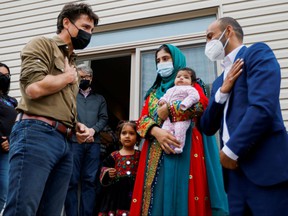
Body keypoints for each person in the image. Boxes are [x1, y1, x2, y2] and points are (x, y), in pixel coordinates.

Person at [3, 3, 99, 216]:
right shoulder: (42, 45)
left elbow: (59, 103)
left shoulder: (72, 64)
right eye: (85, 27)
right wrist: (66, 78)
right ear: (66, 22)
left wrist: (76, 125)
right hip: (35, 134)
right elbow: (33, 89)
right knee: (22, 209)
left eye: (92, 30)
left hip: (65, 142)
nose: (88, 34)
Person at [200, 17, 288, 215]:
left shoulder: (257, 53)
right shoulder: (218, 82)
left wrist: (230, 151)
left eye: (210, 36)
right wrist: (222, 93)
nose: (207, 43)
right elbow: (206, 126)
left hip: (266, 169)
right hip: (234, 180)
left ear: (228, 31)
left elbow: (262, 107)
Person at [130, 44, 228, 216]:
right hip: (156, 152)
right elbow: (141, 121)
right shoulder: (153, 93)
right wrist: (156, 131)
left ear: (177, 61)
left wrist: (170, 109)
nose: (162, 63)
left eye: (166, 59)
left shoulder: (193, 84)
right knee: (157, 197)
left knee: (184, 195)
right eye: (158, 60)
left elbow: (200, 106)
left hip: (186, 150)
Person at [65, 64, 108, 216]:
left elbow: (104, 118)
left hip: (93, 144)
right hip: (74, 143)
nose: (84, 80)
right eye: (81, 77)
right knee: (72, 181)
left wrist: (92, 130)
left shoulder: (99, 98)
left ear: (91, 78)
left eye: (87, 77)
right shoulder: (70, 95)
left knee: (90, 181)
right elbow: (67, 116)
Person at [98, 120, 141, 216]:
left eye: (131, 133)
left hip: (134, 195)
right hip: (115, 196)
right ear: (119, 137)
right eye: (124, 133)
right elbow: (103, 169)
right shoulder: (114, 156)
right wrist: (108, 173)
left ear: (137, 138)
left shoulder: (140, 156)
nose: (127, 136)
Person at [158, 67, 200, 153]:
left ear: (192, 83)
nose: (181, 78)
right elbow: (165, 97)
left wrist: (185, 103)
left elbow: (195, 97)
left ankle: (179, 146)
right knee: (165, 130)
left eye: (186, 77)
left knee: (179, 130)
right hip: (168, 118)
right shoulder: (170, 90)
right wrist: (162, 101)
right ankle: (168, 147)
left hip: (182, 117)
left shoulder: (190, 89)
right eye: (179, 76)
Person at [0, 63, 17, 212]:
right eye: (1, 75)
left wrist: (10, 142)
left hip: (6, 151)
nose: (4, 78)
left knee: (4, 192)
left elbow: (16, 125)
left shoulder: (12, 101)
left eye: (7, 76)